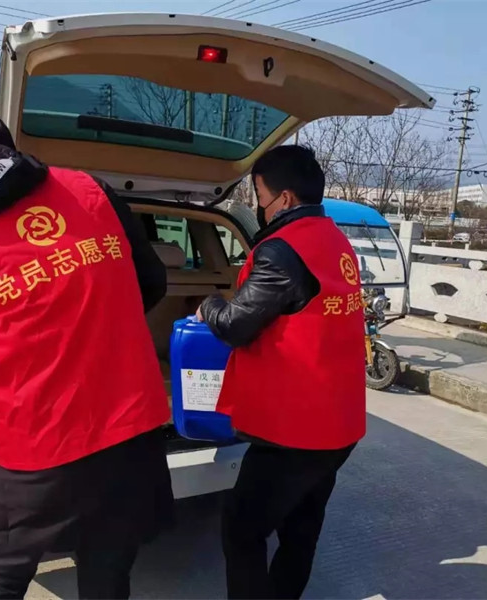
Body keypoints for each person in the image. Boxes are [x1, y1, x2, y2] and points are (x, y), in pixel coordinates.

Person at [0, 110, 172, 600]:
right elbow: (150, 282)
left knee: (5, 569)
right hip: (126, 427)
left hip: (34, 439)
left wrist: (25, 374)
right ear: (11, 147)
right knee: (108, 563)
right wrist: (100, 330)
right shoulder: (90, 190)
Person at [197, 145, 366, 599]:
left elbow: (234, 326)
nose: (258, 206)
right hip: (338, 423)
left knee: (241, 529)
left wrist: (208, 304)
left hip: (295, 432)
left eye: (259, 196)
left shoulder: (281, 251)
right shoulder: (333, 239)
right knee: (300, 529)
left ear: (284, 198)